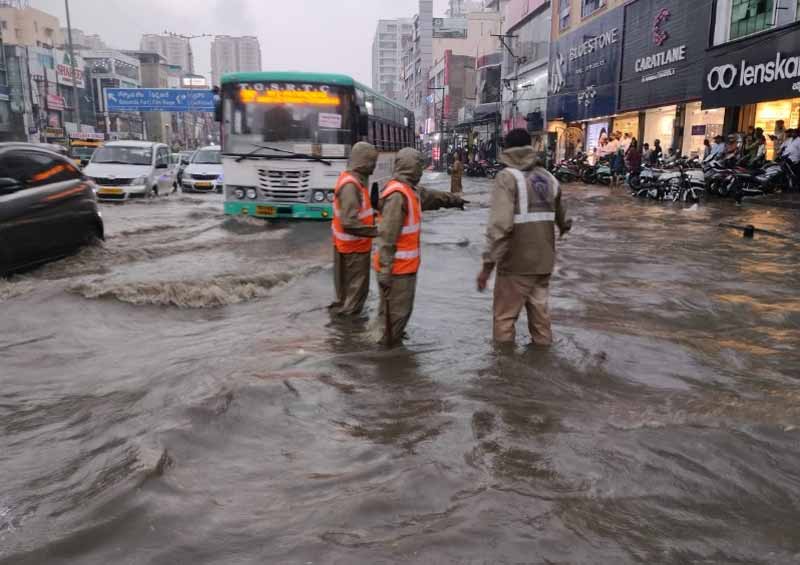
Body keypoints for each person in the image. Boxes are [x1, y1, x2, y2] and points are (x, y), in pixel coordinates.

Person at [477, 129, 572, 346]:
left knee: (504, 320)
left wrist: (487, 267)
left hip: (515, 266)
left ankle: (504, 371)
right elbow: (563, 219)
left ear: (507, 150)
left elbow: (500, 227)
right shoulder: (549, 178)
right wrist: (563, 228)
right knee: (541, 322)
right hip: (543, 264)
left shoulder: (507, 178)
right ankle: (542, 365)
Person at [373, 148, 467, 345]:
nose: (421, 171)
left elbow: (432, 197)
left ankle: (388, 346)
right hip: (396, 271)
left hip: (404, 269)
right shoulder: (398, 195)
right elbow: (387, 238)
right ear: (411, 167)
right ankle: (385, 358)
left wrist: (454, 200)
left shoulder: (410, 191)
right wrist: (385, 271)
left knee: (395, 315)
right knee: (396, 317)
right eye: (418, 166)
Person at [329, 142, 380, 317]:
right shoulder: (351, 185)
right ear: (363, 161)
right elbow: (349, 222)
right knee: (355, 298)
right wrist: (376, 231)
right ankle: (348, 335)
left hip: (349, 248)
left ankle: (342, 328)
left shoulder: (353, 181)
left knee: (347, 296)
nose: (374, 167)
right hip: (354, 250)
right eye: (372, 162)